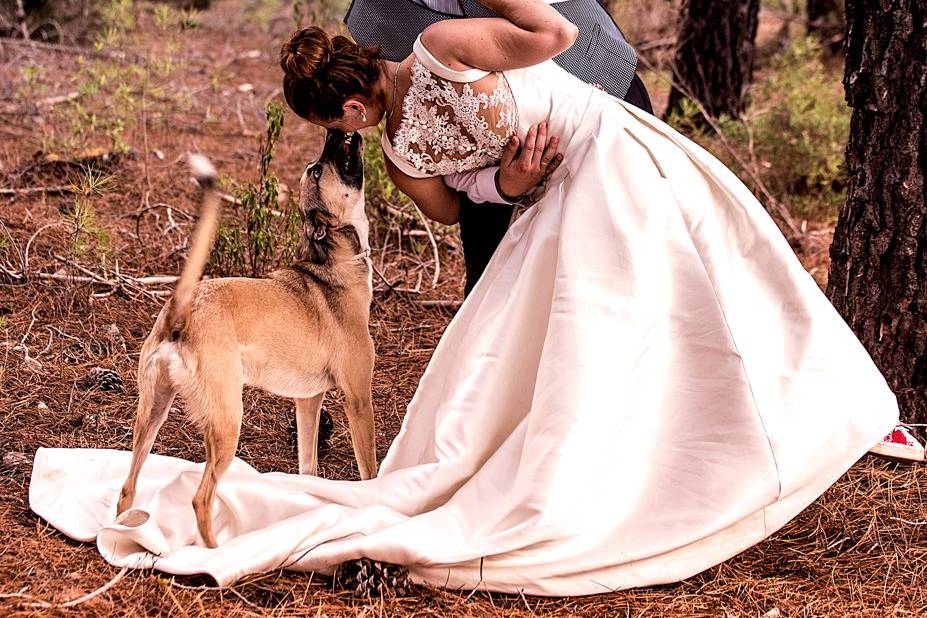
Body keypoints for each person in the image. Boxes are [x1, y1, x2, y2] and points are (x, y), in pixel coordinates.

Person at [29, 0, 900, 595]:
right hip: (549, 200)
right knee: (583, 351)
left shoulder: (445, 46)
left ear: (347, 102)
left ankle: (756, 435)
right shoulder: (404, 153)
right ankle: (614, 476)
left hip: (606, 149)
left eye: (336, 123)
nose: (345, 138)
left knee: (694, 299)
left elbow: (552, 35)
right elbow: (459, 203)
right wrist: (510, 180)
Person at [344, 0, 653, 295]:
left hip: (597, 88)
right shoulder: (371, 19)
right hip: (490, 180)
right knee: (502, 296)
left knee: (634, 251)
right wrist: (500, 185)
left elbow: (559, 30)